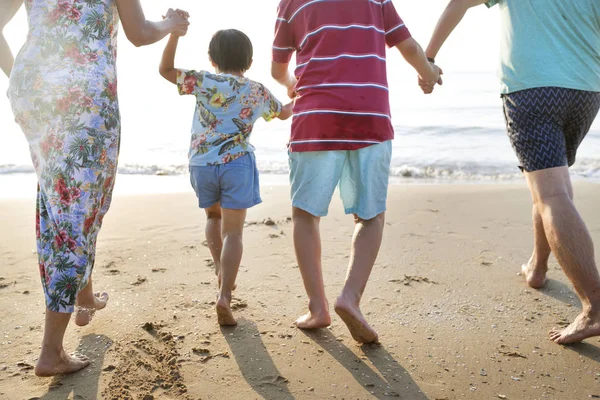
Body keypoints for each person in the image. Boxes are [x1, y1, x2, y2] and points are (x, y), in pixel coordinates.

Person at [1, 0, 189, 376]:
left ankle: (84, 294)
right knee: (77, 209)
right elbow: (139, 33)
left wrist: (22, 72)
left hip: (33, 90)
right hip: (83, 95)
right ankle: (51, 351)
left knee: (61, 196)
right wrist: (169, 24)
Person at [424, 0, 600, 344]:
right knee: (550, 186)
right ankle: (537, 267)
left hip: (532, 87)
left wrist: (427, 59)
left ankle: (595, 307)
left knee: (552, 195)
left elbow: (459, 2)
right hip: (586, 89)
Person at [271, 0, 442, 343]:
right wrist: (429, 73)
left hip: (315, 118)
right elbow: (407, 45)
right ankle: (350, 297)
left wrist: (293, 84)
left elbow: (278, 69)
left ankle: (318, 308)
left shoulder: (291, 3)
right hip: (370, 116)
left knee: (305, 215)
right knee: (370, 216)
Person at [159, 29, 293, 326]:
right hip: (236, 165)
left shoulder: (205, 81)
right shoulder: (256, 90)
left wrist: (173, 34)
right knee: (234, 233)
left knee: (212, 219)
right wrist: (303, 93)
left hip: (202, 165)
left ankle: (220, 269)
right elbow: (284, 113)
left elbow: (165, 69)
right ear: (249, 60)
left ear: (212, 58)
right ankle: (224, 296)